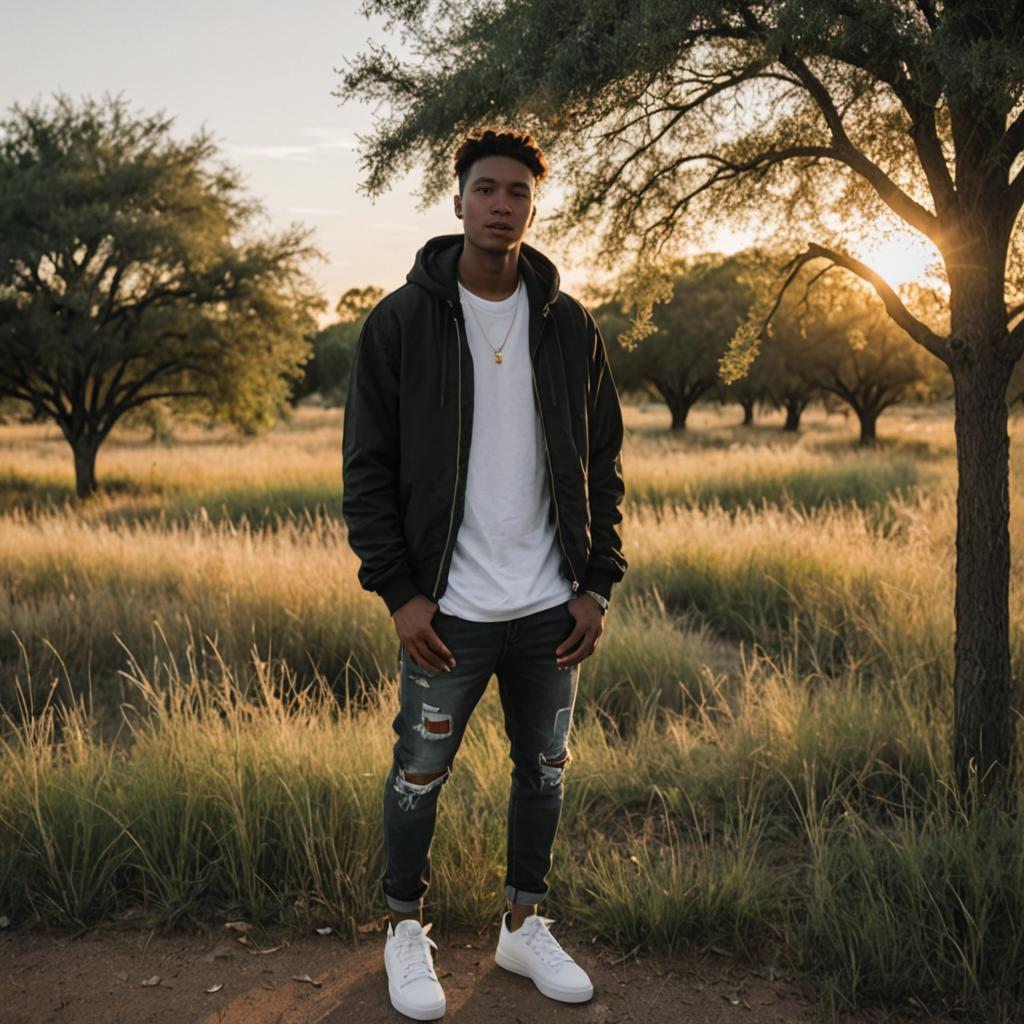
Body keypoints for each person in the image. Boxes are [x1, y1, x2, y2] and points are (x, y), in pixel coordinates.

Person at [342, 127, 626, 1021]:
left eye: (519, 193)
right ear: (458, 199)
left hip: (551, 608)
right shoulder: (399, 322)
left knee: (545, 772)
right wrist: (400, 593)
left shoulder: (569, 324)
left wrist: (598, 583)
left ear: (533, 207)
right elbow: (366, 472)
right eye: (487, 189)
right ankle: (402, 928)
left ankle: (522, 926)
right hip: (446, 614)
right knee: (418, 774)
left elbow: (605, 464)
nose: (503, 204)